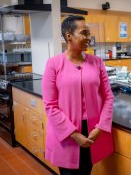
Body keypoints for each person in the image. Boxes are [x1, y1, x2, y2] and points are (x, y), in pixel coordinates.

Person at [42, 15, 114, 175]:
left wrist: (101, 127)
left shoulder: (97, 62)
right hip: (66, 135)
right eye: (84, 33)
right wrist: (74, 135)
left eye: (89, 33)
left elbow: (108, 97)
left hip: (92, 133)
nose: (89, 38)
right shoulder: (54, 64)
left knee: (86, 171)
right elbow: (50, 105)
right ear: (69, 36)